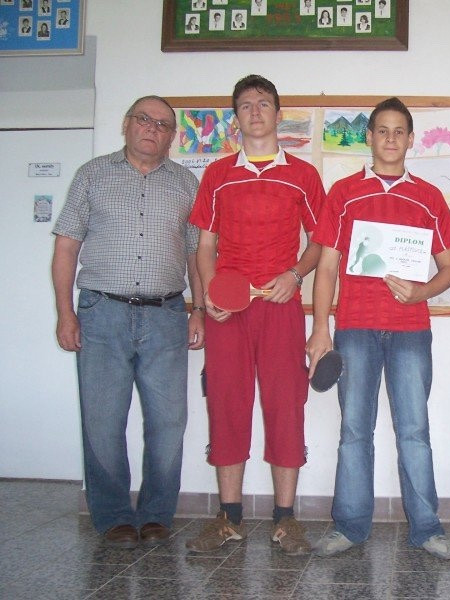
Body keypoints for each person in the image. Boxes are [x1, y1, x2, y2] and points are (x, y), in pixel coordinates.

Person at [307, 97, 450, 560]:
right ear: (369, 137)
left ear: (411, 140)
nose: (390, 139)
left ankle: (427, 528)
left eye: (399, 131)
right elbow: (326, 268)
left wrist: (421, 292)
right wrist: (320, 329)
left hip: (411, 330)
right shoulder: (344, 192)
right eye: (382, 130)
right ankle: (350, 525)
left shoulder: (429, 197)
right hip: (355, 329)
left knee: (414, 431)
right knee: (355, 431)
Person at [51, 95, 204, 548]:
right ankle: (114, 515)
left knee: (168, 422)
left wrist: (198, 308)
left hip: (166, 315)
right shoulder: (92, 175)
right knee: (102, 419)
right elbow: (66, 247)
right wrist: (65, 313)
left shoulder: (186, 183)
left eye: (163, 124)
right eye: (144, 119)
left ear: (172, 137)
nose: (152, 128)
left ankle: (157, 513)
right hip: (102, 314)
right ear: (126, 124)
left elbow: (196, 253)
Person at [185, 75, 325, 555]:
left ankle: (286, 520)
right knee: (226, 404)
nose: (255, 111)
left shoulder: (303, 175)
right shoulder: (217, 174)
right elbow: (205, 246)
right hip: (229, 312)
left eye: (263, 103)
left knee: (286, 405)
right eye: (245, 105)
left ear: (278, 114)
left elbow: (321, 242)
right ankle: (228, 517)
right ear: (236, 117)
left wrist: (295, 274)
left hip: (280, 308)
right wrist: (211, 298)